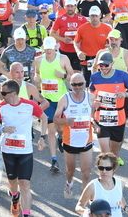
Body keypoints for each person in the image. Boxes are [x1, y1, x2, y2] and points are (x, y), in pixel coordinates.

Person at [0, 79, 47, 217]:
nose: (1, 96)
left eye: (3, 93)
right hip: (8, 150)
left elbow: (44, 118)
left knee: (25, 184)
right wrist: (2, 128)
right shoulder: (1, 107)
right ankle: (14, 196)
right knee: (13, 182)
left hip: (25, 151)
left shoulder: (29, 105)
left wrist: (42, 138)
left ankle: (26, 213)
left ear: (13, 93)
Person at [89, 52, 128, 165]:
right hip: (101, 118)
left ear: (112, 64)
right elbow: (91, 94)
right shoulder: (95, 77)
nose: (103, 68)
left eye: (106, 65)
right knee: (105, 154)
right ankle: (106, 176)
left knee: (114, 154)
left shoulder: (122, 76)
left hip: (118, 118)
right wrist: (93, 106)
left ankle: (111, 175)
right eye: (100, 66)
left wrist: (125, 94)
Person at [33, 36, 73, 173]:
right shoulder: (38, 61)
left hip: (61, 100)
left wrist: (62, 75)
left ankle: (61, 137)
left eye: (51, 49)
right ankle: (54, 160)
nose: (49, 52)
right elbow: (36, 75)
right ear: (43, 48)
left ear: (55, 48)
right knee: (51, 130)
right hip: (47, 100)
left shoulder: (63, 59)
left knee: (60, 128)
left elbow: (72, 77)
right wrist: (37, 79)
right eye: (47, 49)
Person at [54, 72, 95, 199]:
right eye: (74, 84)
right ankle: (69, 183)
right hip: (69, 142)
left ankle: (84, 201)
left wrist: (96, 125)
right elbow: (55, 119)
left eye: (80, 84)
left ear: (85, 84)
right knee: (70, 171)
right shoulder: (65, 99)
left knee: (86, 173)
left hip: (86, 142)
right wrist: (66, 121)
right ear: (70, 85)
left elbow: (93, 117)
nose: (77, 87)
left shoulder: (91, 98)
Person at [75, 152, 128, 217]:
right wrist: (86, 212)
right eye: (101, 168)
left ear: (114, 169)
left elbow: (119, 197)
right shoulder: (92, 186)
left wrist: (126, 208)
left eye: (108, 168)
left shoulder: (120, 184)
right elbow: (79, 206)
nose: (104, 171)